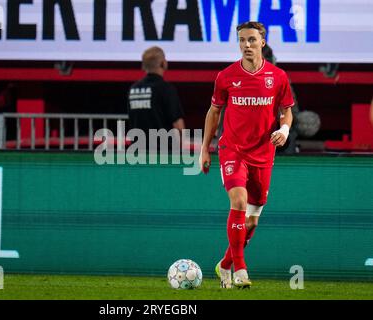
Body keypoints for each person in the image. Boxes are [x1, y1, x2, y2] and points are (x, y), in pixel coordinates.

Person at [199, 21, 294, 289]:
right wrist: (205, 148)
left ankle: (225, 264)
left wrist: (284, 129)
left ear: (262, 42)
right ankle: (240, 269)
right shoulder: (226, 76)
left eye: (251, 40)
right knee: (238, 201)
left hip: (264, 153)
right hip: (233, 150)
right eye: (242, 40)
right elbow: (214, 112)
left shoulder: (278, 77)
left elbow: (286, 110)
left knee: (251, 222)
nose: (246, 45)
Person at [127, 46, 185, 150]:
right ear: (163, 63)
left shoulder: (133, 89)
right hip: (164, 153)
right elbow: (178, 125)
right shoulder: (166, 88)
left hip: (137, 152)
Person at [262, 43, 300, 154]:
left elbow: (291, 112)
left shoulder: (281, 78)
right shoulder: (237, 78)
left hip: (277, 131)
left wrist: (283, 129)